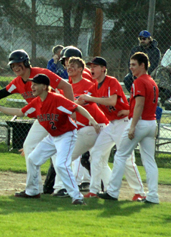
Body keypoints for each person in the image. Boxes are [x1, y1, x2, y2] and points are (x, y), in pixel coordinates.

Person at [0, 73, 101, 205]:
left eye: (35, 84)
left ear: (45, 86)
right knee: (33, 159)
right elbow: (20, 112)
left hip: (66, 135)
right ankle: (32, 191)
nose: (32, 87)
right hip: (53, 136)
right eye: (32, 84)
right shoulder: (37, 102)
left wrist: (92, 120)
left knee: (61, 164)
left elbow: (77, 107)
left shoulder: (56, 99)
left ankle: (77, 197)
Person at [0, 49, 74, 195]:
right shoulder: (17, 82)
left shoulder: (41, 74)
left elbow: (67, 86)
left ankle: (61, 188)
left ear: (26, 62)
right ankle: (35, 188)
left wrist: (70, 109)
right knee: (28, 146)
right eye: (13, 65)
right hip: (42, 117)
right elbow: (2, 93)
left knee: (57, 150)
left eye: (18, 63)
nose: (15, 67)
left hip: (57, 115)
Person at [79, 56, 146, 200]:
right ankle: (94, 190)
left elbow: (112, 101)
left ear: (103, 69)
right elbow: (83, 100)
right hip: (112, 125)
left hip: (124, 122)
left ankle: (140, 192)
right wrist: (73, 103)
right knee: (96, 154)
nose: (92, 69)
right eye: (90, 66)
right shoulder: (94, 86)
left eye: (95, 66)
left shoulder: (111, 81)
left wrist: (90, 99)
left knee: (127, 159)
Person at [98, 52, 160, 204]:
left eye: (134, 64)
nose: (131, 67)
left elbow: (139, 104)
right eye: (130, 64)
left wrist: (132, 126)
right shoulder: (152, 81)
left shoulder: (139, 81)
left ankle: (112, 192)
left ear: (143, 65)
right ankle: (153, 196)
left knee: (120, 155)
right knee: (149, 160)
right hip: (151, 123)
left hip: (140, 123)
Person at [51, 57, 109, 197]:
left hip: (94, 126)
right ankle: (110, 189)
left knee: (65, 157)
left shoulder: (89, 84)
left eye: (74, 66)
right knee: (98, 161)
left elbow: (78, 104)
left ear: (81, 70)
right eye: (68, 66)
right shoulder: (67, 87)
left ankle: (61, 188)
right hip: (84, 128)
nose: (70, 68)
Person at [152, 36, 171, 103]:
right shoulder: (170, 50)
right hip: (166, 71)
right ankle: (160, 92)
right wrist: (168, 68)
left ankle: (164, 93)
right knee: (160, 70)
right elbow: (163, 63)